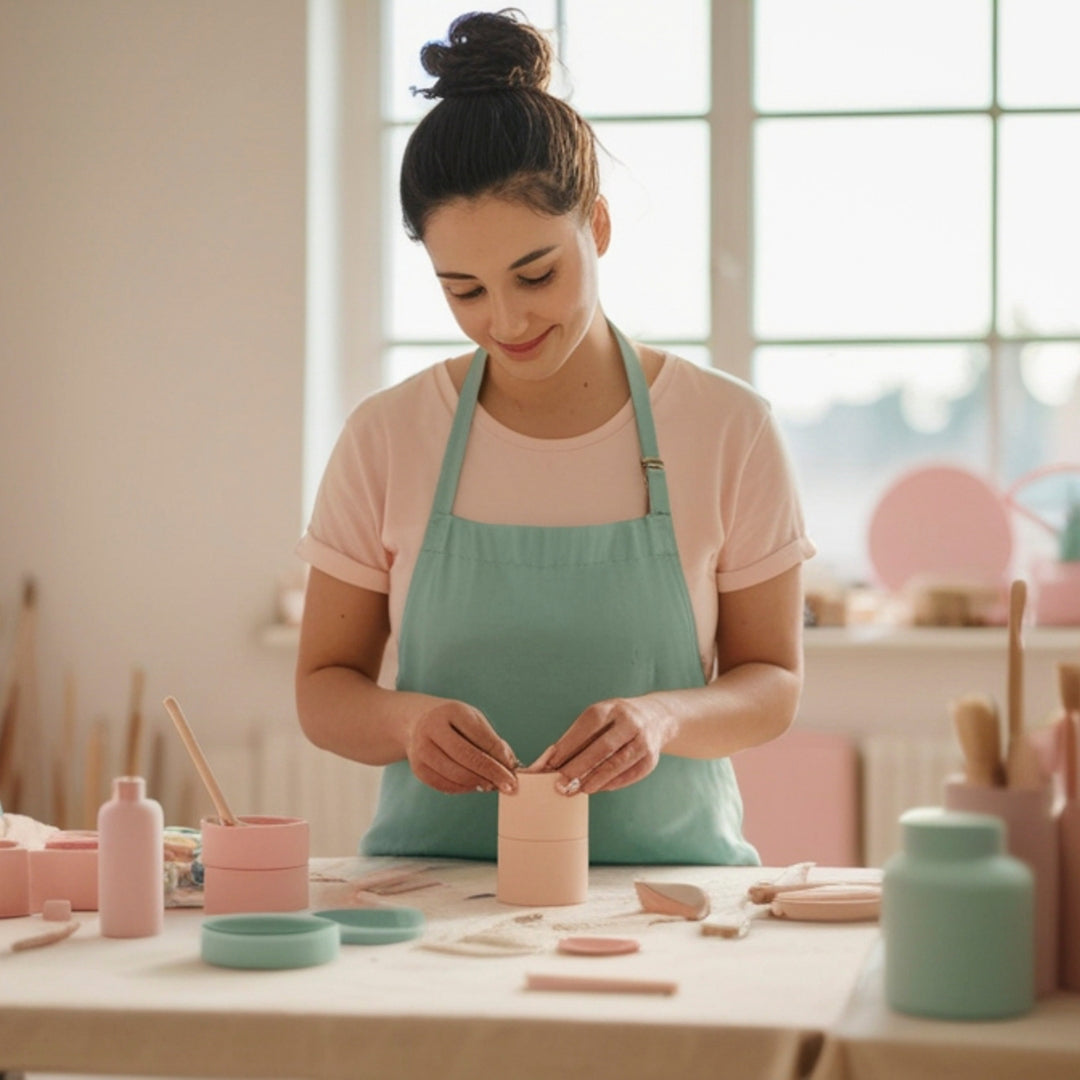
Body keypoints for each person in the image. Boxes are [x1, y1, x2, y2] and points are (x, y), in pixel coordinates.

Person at [294, 9, 814, 865]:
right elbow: (324, 690)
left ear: (597, 228)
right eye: (462, 290)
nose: (505, 321)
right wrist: (407, 720)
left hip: (667, 890)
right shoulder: (387, 436)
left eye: (536, 274)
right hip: (435, 890)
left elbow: (774, 684)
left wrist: (664, 714)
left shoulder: (729, 429)